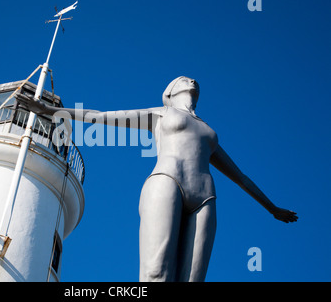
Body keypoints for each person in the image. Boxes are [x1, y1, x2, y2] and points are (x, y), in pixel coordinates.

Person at [16, 76, 298, 282]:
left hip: (205, 198)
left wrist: (272, 209)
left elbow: (242, 178)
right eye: (183, 79)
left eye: (194, 79)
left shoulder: (209, 131)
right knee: (155, 274)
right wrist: (51, 111)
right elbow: (101, 117)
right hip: (167, 182)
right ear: (171, 92)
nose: (192, 79)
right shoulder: (161, 113)